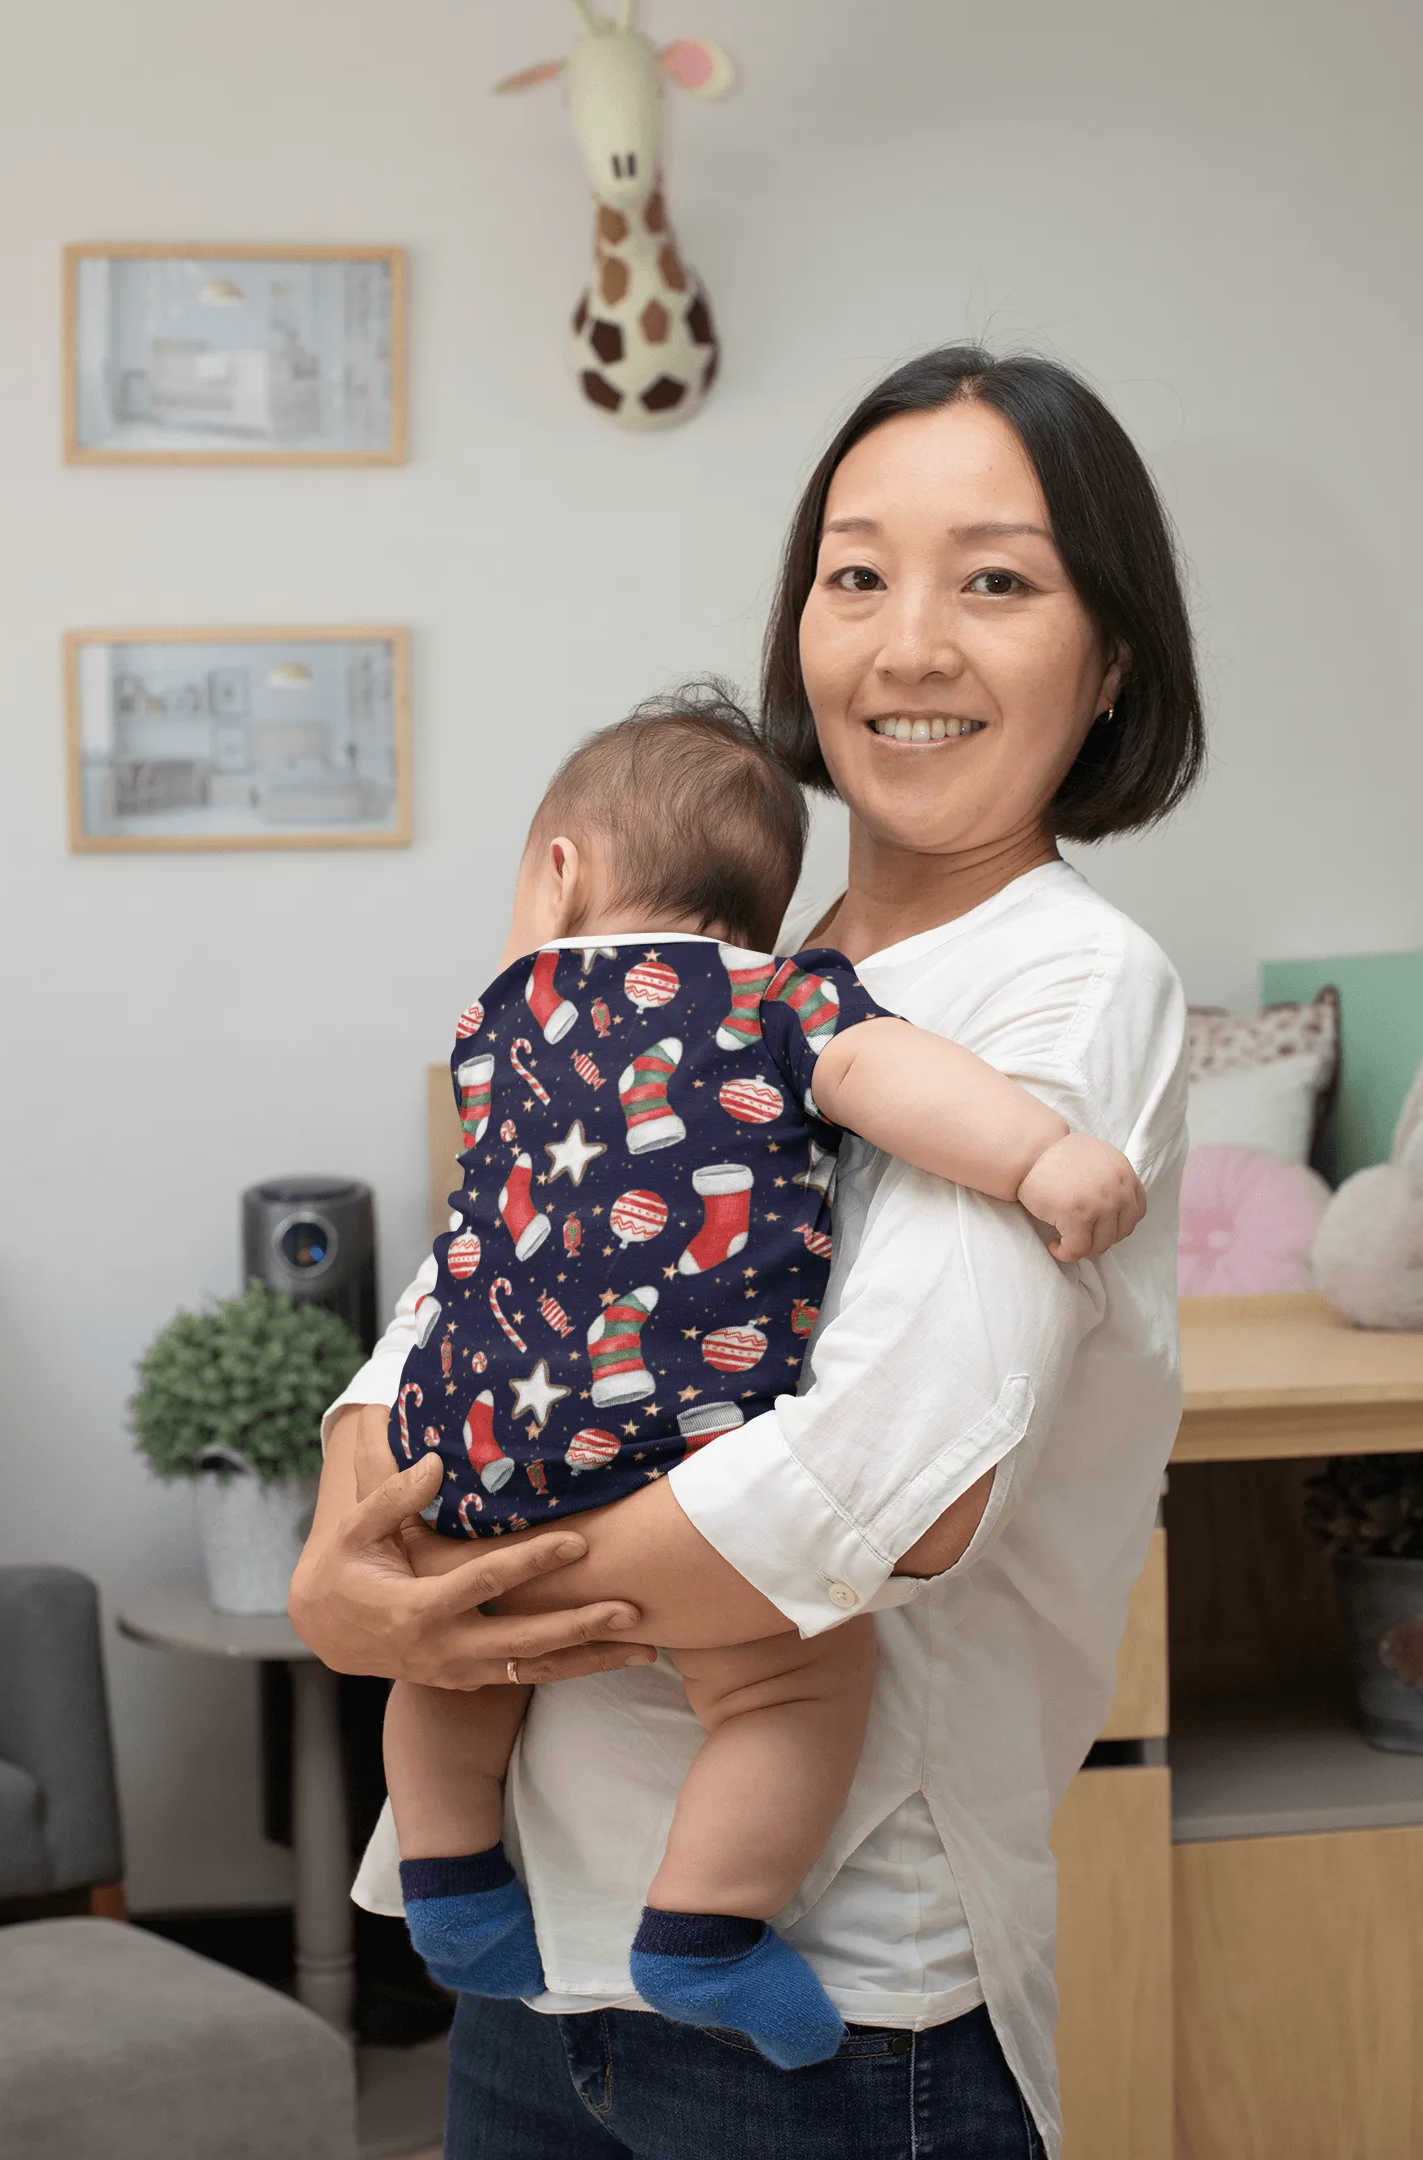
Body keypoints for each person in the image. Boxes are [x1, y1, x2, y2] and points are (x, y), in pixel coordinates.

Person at [289, 343, 1204, 2160]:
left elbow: (887, 1498)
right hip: (534, 1965)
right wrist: (340, 1558)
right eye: (856, 574)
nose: (908, 642)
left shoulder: (1060, 983)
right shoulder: (729, 962)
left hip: (834, 2009)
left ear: (1109, 666)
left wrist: (430, 1604)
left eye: (997, 581)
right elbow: (460, 1296)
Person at [370, 698, 1144, 2070]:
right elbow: (897, 1081)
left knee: (449, 1667)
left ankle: (451, 1891)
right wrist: (1037, 1159)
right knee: (790, 1693)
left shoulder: (498, 1024)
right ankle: (704, 1931)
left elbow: (459, 1246)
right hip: (675, 1440)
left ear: (558, 872)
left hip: (476, 1441)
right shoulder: (777, 998)